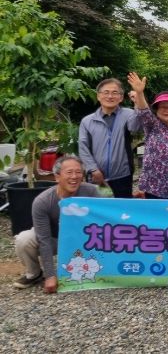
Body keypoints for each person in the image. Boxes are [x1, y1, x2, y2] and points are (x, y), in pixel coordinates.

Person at [13, 155, 100, 293]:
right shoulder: (43, 201)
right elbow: (44, 239)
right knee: (24, 239)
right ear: (57, 177)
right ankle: (34, 274)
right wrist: (50, 275)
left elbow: (104, 220)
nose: (74, 176)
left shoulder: (91, 191)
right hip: (55, 240)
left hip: (85, 239)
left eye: (78, 172)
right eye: (69, 172)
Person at [78, 78, 141, 198]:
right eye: (106, 92)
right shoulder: (88, 121)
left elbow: (135, 127)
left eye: (115, 92)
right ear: (98, 96)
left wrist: (137, 103)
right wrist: (93, 169)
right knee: (100, 206)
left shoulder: (128, 114)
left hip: (122, 176)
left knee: (121, 207)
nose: (110, 96)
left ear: (121, 97)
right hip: (98, 177)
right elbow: (83, 147)